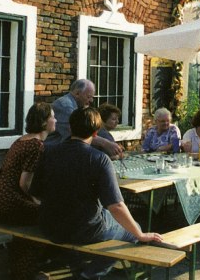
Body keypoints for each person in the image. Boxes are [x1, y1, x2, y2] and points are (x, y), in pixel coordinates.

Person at [30, 107, 163, 279]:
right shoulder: (99, 159)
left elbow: (36, 192)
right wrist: (141, 235)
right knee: (133, 230)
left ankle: (78, 267)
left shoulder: (48, 151)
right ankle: (90, 274)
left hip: (49, 226)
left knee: (101, 217)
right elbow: (116, 206)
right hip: (85, 229)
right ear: (96, 132)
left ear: (70, 128)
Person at [0, 102, 55, 280]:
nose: (56, 120)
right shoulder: (37, 145)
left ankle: (20, 262)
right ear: (44, 122)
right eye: (53, 116)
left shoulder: (22, 140)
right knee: (50, 217)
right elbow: (24, 184)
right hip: (9, 203)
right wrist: (37, 201)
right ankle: (27, 269)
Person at [46, 79, 123, 158]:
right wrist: (106, 144)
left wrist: (111, 144)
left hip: (70, 146)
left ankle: (112, 155)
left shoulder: (78, 106)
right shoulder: (65, 106)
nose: (91, 100)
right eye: (89, 97)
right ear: (77, 93)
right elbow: (77, 134)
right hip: (56, 148)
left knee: (102, 132)